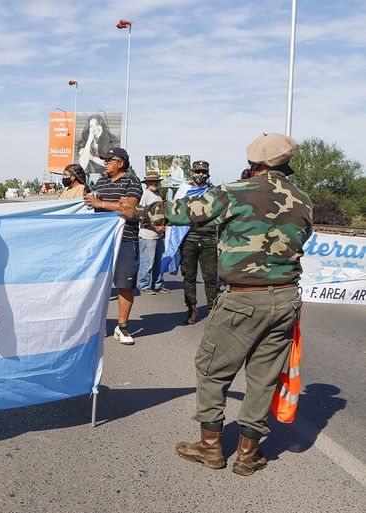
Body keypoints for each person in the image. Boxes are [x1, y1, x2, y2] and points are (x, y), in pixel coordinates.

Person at [121, 133, 313, 476]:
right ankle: (248, 454)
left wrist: (138, 213)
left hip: (243, 297)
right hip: (286, 299)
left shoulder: (235, 191)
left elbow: (184, 211)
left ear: (254, 164)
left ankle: (210, 448)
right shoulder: (303, 199)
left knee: (212, 370)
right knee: (264, 378)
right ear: (286, 164)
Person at [83, 147, 142, 345]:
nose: (105, 163)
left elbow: (129, 209)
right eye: (104, 160)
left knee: (125, 286)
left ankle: (122, 327)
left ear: (121, 163)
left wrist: (101, 204)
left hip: (125, 240)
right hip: (101, 242)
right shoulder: (101, 182)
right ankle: (98, 325)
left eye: (109, 160)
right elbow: (97, 205)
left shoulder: (132, 181)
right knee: (99, 284)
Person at [179, 160, 218, 324]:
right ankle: (192, 309)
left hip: (209, 239)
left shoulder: (214, 192)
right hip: (189, 238)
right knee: (189, 277)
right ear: (192, 173)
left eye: (203, 172)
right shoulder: (184, 190)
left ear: (208, 174)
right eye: (197, 172)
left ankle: (213, 310)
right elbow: (176, 210)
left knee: (210, 278)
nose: (200, 175)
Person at [136, 173, 168, 294]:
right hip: (147, 233)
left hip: (158, 234)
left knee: (158, 261)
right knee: (147, 261)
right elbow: (140, 214)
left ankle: (157, 284)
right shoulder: (145, 194)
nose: (154, 183)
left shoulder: (156, 195)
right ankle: (143, 285)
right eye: (151, 181)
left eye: (156, 181)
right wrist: (155, 227)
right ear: (147, 183)